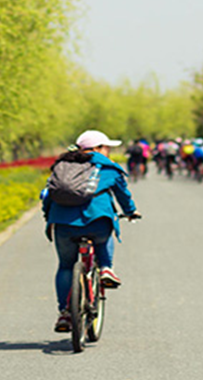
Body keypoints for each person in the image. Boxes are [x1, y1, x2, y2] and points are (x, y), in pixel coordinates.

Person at [43, 129, 141, 333]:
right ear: (97, 149)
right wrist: (131, 212)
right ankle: (106, 268)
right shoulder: (108, 168)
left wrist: (48, 216)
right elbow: (123, 195)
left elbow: (47, 194)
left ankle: (65, 313)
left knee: (65, 267)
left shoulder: (62, 166)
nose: (108, 151)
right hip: (97, 221)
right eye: (106, 147)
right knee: (104, 232)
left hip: (63, 224)